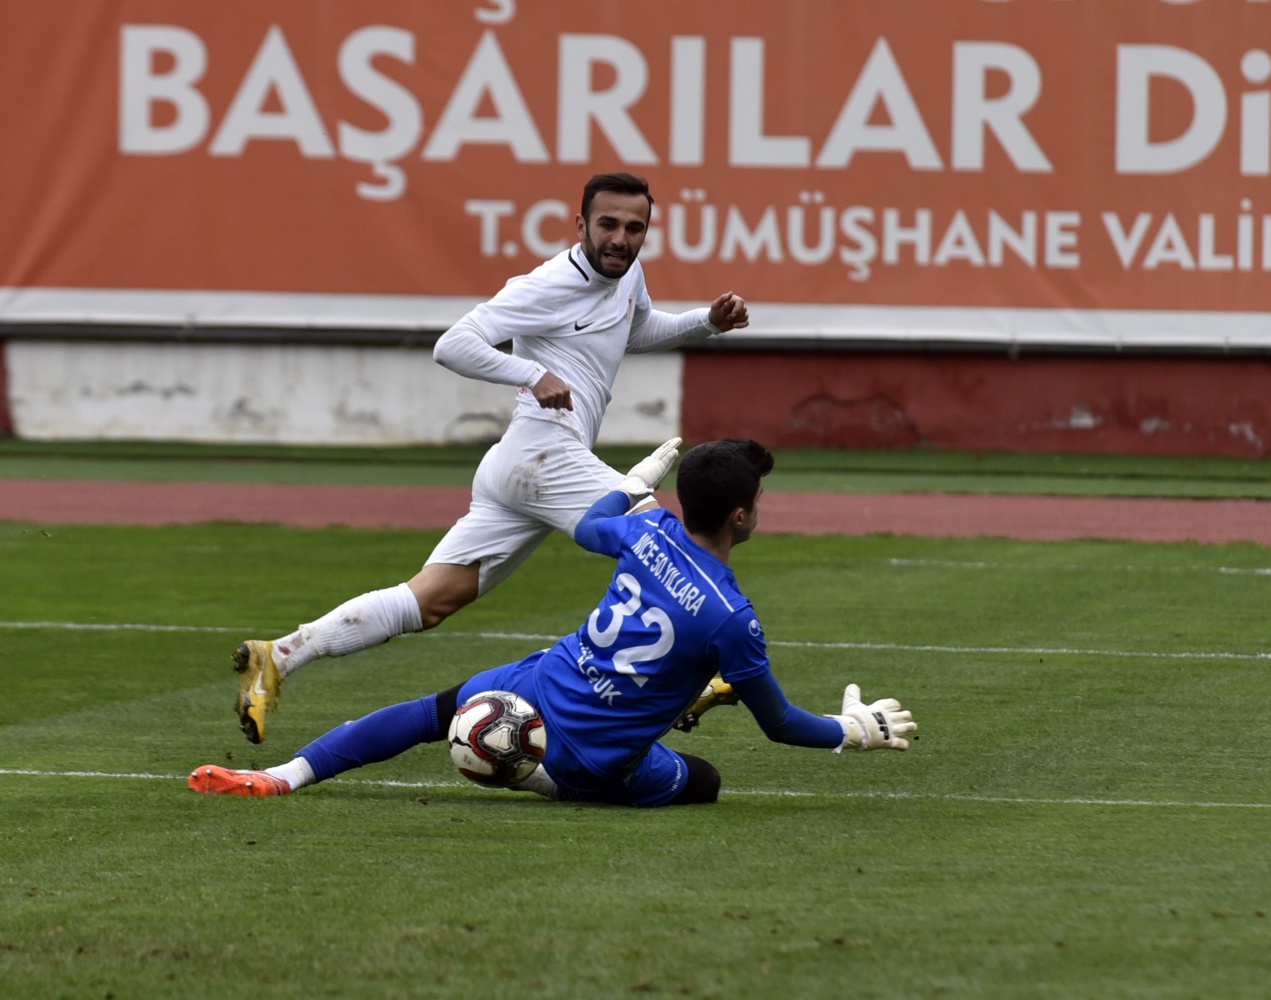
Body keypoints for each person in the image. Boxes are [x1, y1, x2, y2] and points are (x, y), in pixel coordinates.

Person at [232, 172, 750, 745]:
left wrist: (707, 322)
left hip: (520, 467)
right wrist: (532, 372)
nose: (621, 238)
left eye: (634, 228)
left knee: (427, 602)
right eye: (607, 224)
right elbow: (452, 344)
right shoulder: (548, 283)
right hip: (544, 453)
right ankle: (697, 676)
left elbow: (637, 327)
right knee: (663, 541)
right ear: (580, 224)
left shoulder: (626, 274)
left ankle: (279, 655)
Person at [190, 440, 918, 806]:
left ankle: (282, 778)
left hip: (544, 679)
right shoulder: (733, 617)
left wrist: (635, 483)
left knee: (427, 711)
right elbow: (784, 725)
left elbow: (593, 522)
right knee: (706, 782)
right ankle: (563, 761)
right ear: (739, 514)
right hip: (593, 757)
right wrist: (852, 730)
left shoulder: (647, 532)